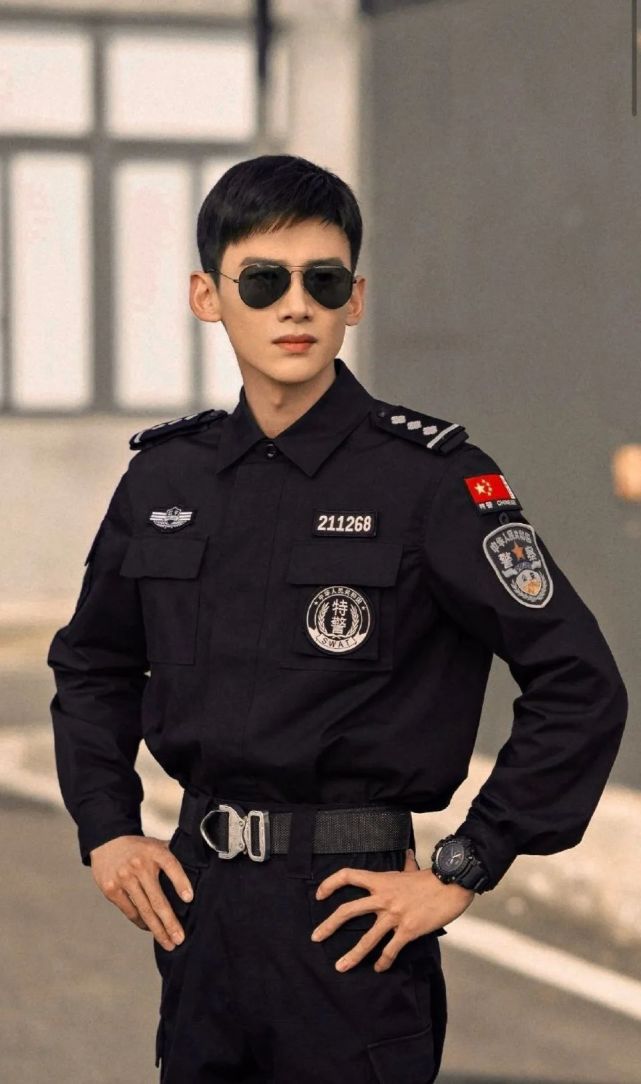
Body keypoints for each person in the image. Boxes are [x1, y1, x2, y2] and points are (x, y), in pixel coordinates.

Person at [47, 154, 628, 1084]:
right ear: (207, 295)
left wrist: (464, 864)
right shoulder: (165, 479)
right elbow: (94, 667)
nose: (296, 306)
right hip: (200, 916)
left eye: (322, 281)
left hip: (351, 927)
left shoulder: (430, 481)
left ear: (353, 300)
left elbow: (579, 683)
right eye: (263, 281)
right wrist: (107, 827)